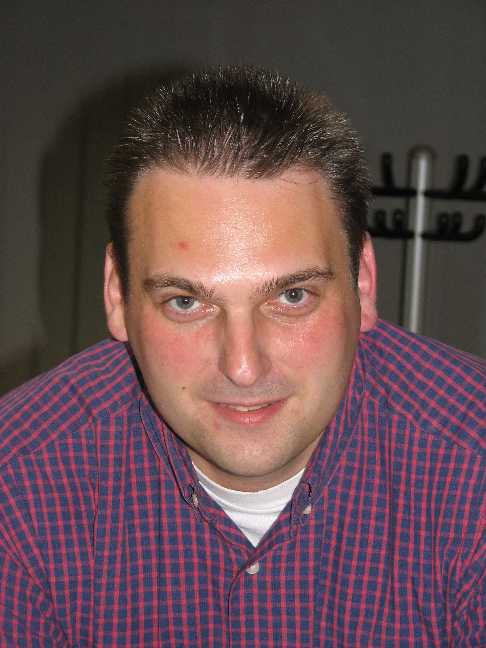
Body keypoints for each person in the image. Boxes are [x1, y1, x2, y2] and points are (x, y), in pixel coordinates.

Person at [0, 66, 484, 648]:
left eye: (292, 296)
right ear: (117, 295)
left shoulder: (472, 469)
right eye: (186, 302)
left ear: (362, 282)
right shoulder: (19, 486)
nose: (244, 367)